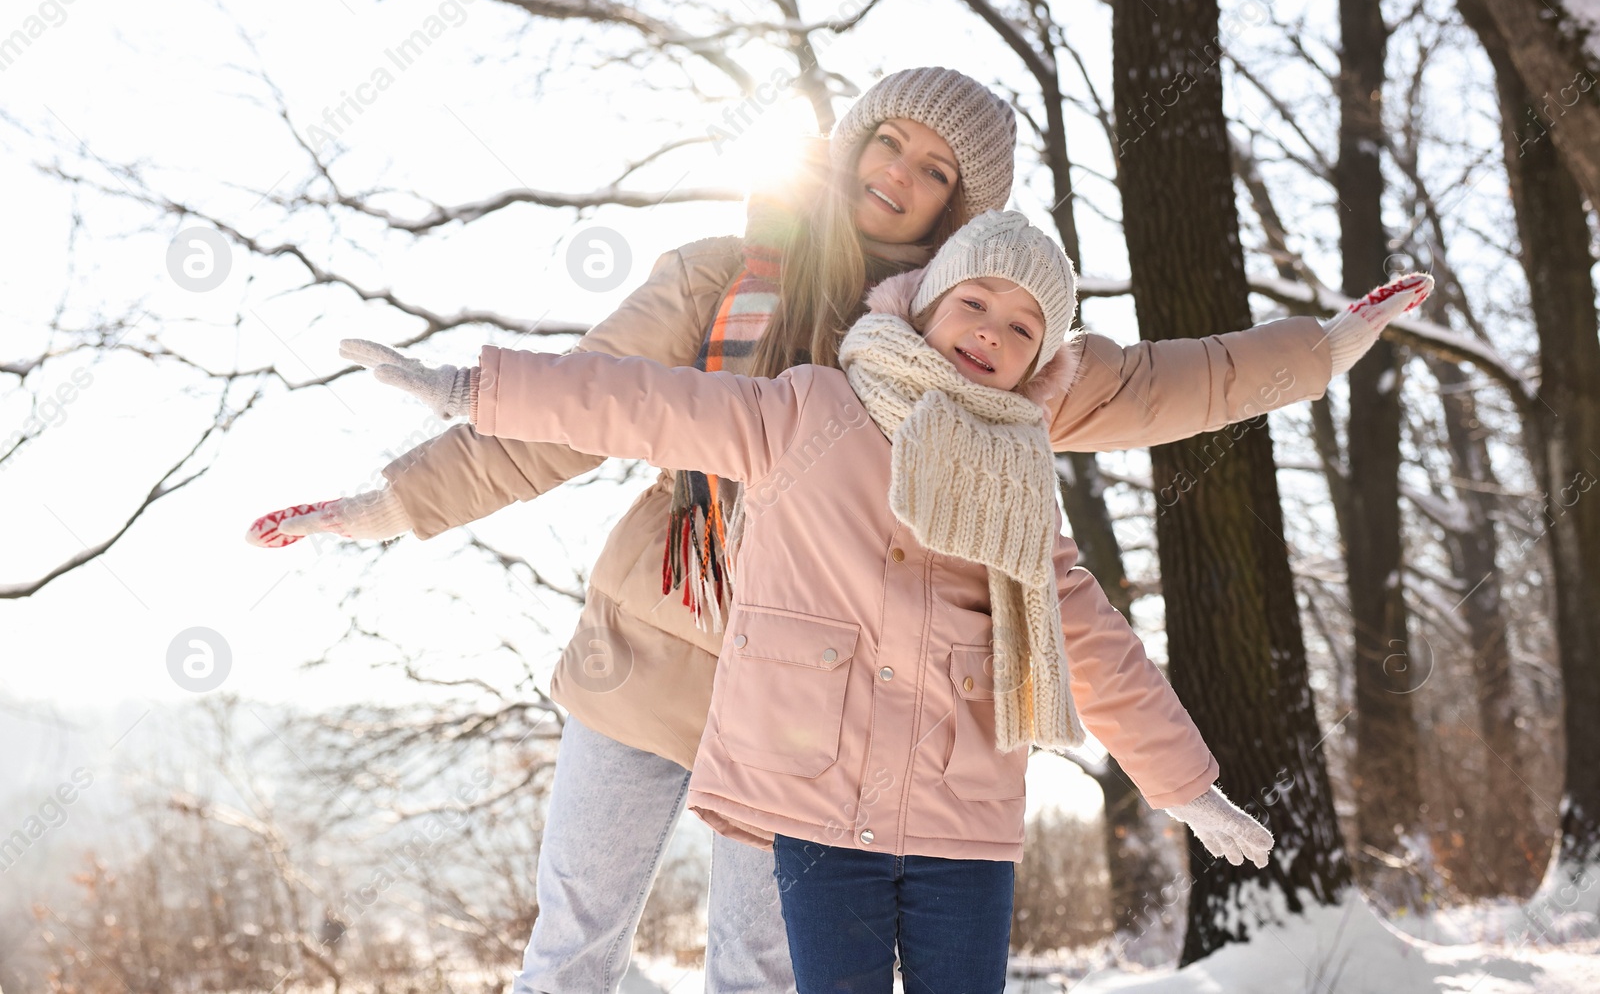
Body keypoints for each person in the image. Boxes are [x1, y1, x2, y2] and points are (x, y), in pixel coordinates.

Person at [246, 67, 1430, 993]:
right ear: (855, 140)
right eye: (890, 141)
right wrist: (392, 501)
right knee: (576, 940)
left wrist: (1319, 349)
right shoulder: (721, 275)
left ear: (960, 208)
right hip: (655, 648)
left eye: (934, 170)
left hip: (811, 712)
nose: (900, 173)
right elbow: (585, 406)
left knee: (763, 970)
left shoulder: (983, 360)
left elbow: (1179, 382)